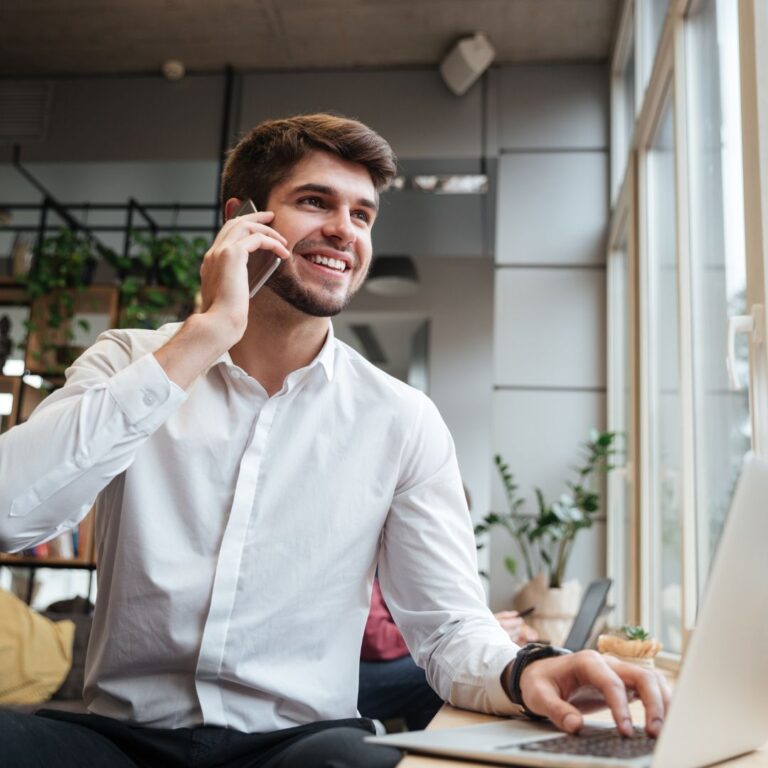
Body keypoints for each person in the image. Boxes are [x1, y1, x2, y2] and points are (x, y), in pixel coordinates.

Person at [0, 114, 669, 768]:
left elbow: (446, 628)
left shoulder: (402, 420)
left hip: (301, 743)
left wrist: (530, 671)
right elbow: (11, 514)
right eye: (315, 201)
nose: (343, 231)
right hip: (121, 738)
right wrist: (206, 334)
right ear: (241, 219)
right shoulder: (131, 363)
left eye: (362, 214)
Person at [358, 580, 538, 731]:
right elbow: (377, 640)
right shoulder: (365, 559)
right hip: (352, 674)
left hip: (366, 666)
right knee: (435, 672)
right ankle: (432, 757)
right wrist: (431, 635)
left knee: (440, 666)